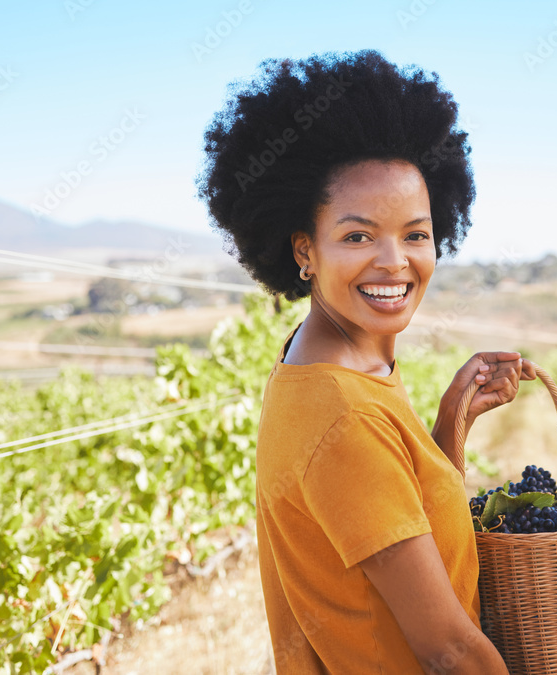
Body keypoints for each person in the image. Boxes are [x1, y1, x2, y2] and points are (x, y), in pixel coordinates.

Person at [196, 48, 534, 674]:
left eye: (415, 233)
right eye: (357, 236)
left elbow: (389, 526)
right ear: (305, 250)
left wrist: (445, 430)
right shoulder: (345, 414)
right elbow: (446, 650)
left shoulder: (331, 359)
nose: (394, 261)